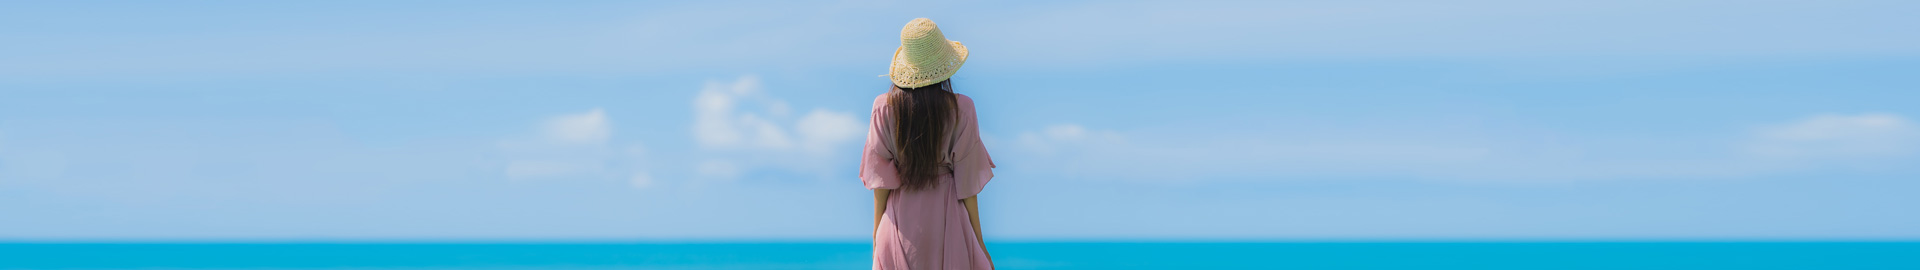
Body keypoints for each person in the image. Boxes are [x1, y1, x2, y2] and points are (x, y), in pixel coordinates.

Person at [860, 18, 996, 270]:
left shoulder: (883, 107)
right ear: (942, 66)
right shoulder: (962, 108)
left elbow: (880, 181)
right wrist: (979, 242)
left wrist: (877, 235)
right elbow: (967, 185)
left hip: (898, 221)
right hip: (948, 219)